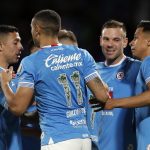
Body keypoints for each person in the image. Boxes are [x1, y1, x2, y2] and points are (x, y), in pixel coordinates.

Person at [0, 9, 109, 150]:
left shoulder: (32, 61)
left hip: (57, 139)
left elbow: (17, 108)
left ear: (37, 29)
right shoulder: (82, 54)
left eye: (31, 28)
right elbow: (102, 95)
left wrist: (4, 82)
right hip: (83, 139)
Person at [87, 20, 141, 150]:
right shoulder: (90, 71)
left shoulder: (137, 68)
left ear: (125, 42)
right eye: (106, 39)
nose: (110, 44)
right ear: (100, 41)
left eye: (116, 40)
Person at [103, 20, 150, 150]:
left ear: (148, 41)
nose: (131, 42)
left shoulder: (148, 62)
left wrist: (114, 103)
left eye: (136, 38)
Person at [0, 25, 23, 149]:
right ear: (0, 46)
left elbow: (29, 113)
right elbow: (16, 107)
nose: (21, 47)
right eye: (15, 43)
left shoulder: (14, 78)